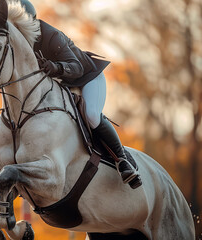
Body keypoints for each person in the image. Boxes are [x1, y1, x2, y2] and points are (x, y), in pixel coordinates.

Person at [19, 0, 140, 188]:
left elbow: (75, 67)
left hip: (87, 77)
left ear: (30, 22)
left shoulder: (51, 36)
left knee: (91, 115)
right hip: (63, 85)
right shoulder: (20, 45)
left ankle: (122, 160)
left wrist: (56, 67)